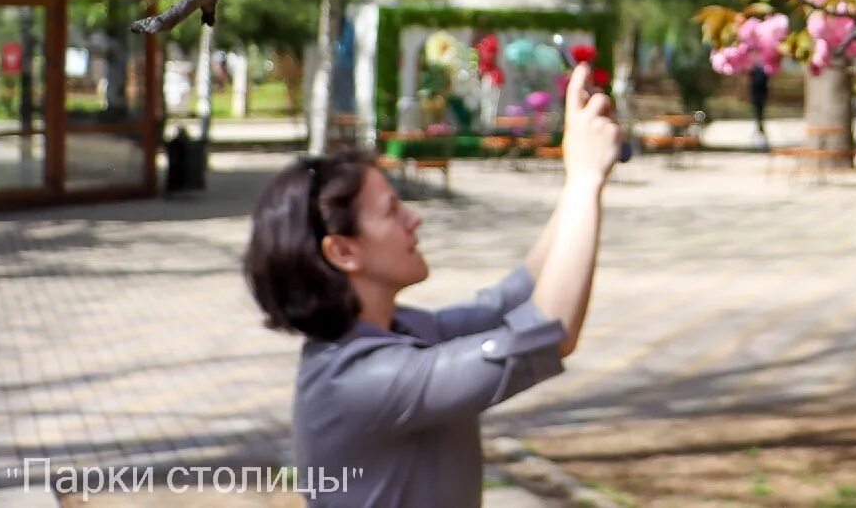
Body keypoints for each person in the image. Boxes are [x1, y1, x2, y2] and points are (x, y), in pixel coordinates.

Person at [244, 63, 623, 508]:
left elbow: (515, 296)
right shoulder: (361, 379)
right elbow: (550, 332)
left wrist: (577, 171)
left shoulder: (392, 332)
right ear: (343, 252)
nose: (413, 219)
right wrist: (584, 179)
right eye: (391, 212)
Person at [748, 64, 771, 150]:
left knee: (759, 118)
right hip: (758, 96)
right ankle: (761, 139)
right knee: (759, 118)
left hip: (760, 96)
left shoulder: (764, 68)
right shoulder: (755, 69)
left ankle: (761, 140)